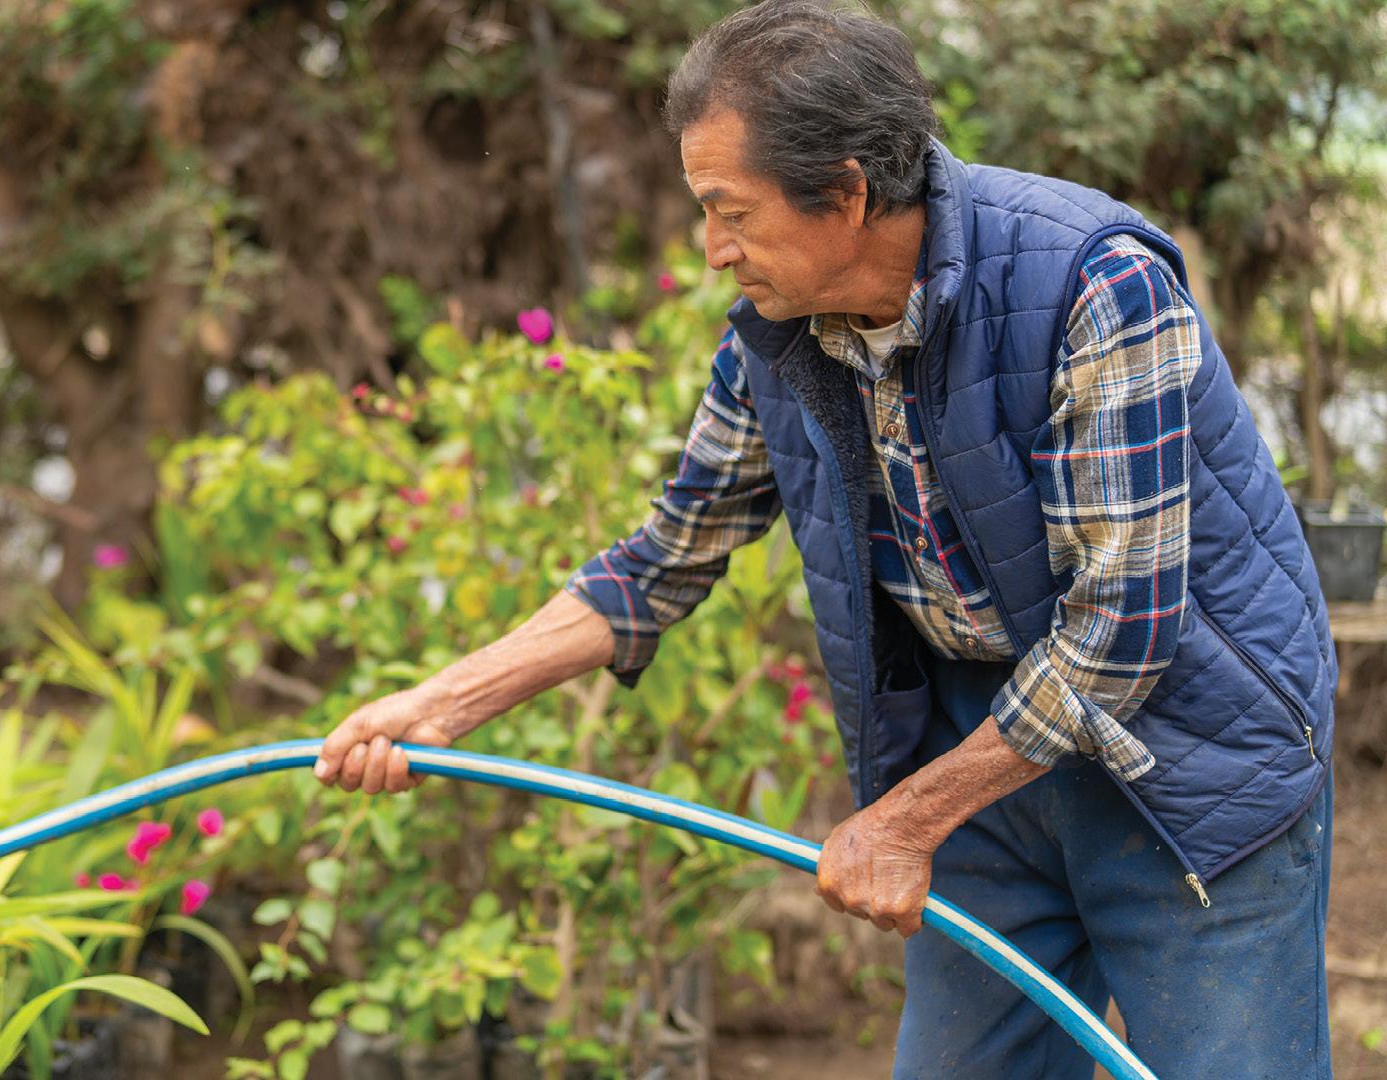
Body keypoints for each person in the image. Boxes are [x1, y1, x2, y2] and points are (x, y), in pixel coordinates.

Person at [312, 2, 1336, 1076]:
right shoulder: (776, 336)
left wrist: (904, 820)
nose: (712, 250)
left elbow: (1119, 634)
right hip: (988, 766)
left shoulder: (1092, 284)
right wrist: (441, 703)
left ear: (847, 194)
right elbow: (667, 555)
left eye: (730, 211)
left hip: (1192, 771)